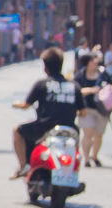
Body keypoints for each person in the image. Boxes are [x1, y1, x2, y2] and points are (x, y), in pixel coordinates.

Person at [10, 47, 86, 179]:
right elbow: (83, 112)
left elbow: (26, 105)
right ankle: (74, 168)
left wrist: (15, 103)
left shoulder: (42, 84)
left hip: (44, 128)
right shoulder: (74, 86)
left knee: (17, 130)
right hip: (69, 128)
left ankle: (24, 166)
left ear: (45, 67)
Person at [74, 52, 112, 167]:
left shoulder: (103, 73)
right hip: (86, 109)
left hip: (102, 109)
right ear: (87, 63)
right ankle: (86, 159)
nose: (95, 62)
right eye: (92, 60)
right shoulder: (80, 75)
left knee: (99, 134)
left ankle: (94, 156)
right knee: (88, 134)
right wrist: (91, 90)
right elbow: (76, 90)